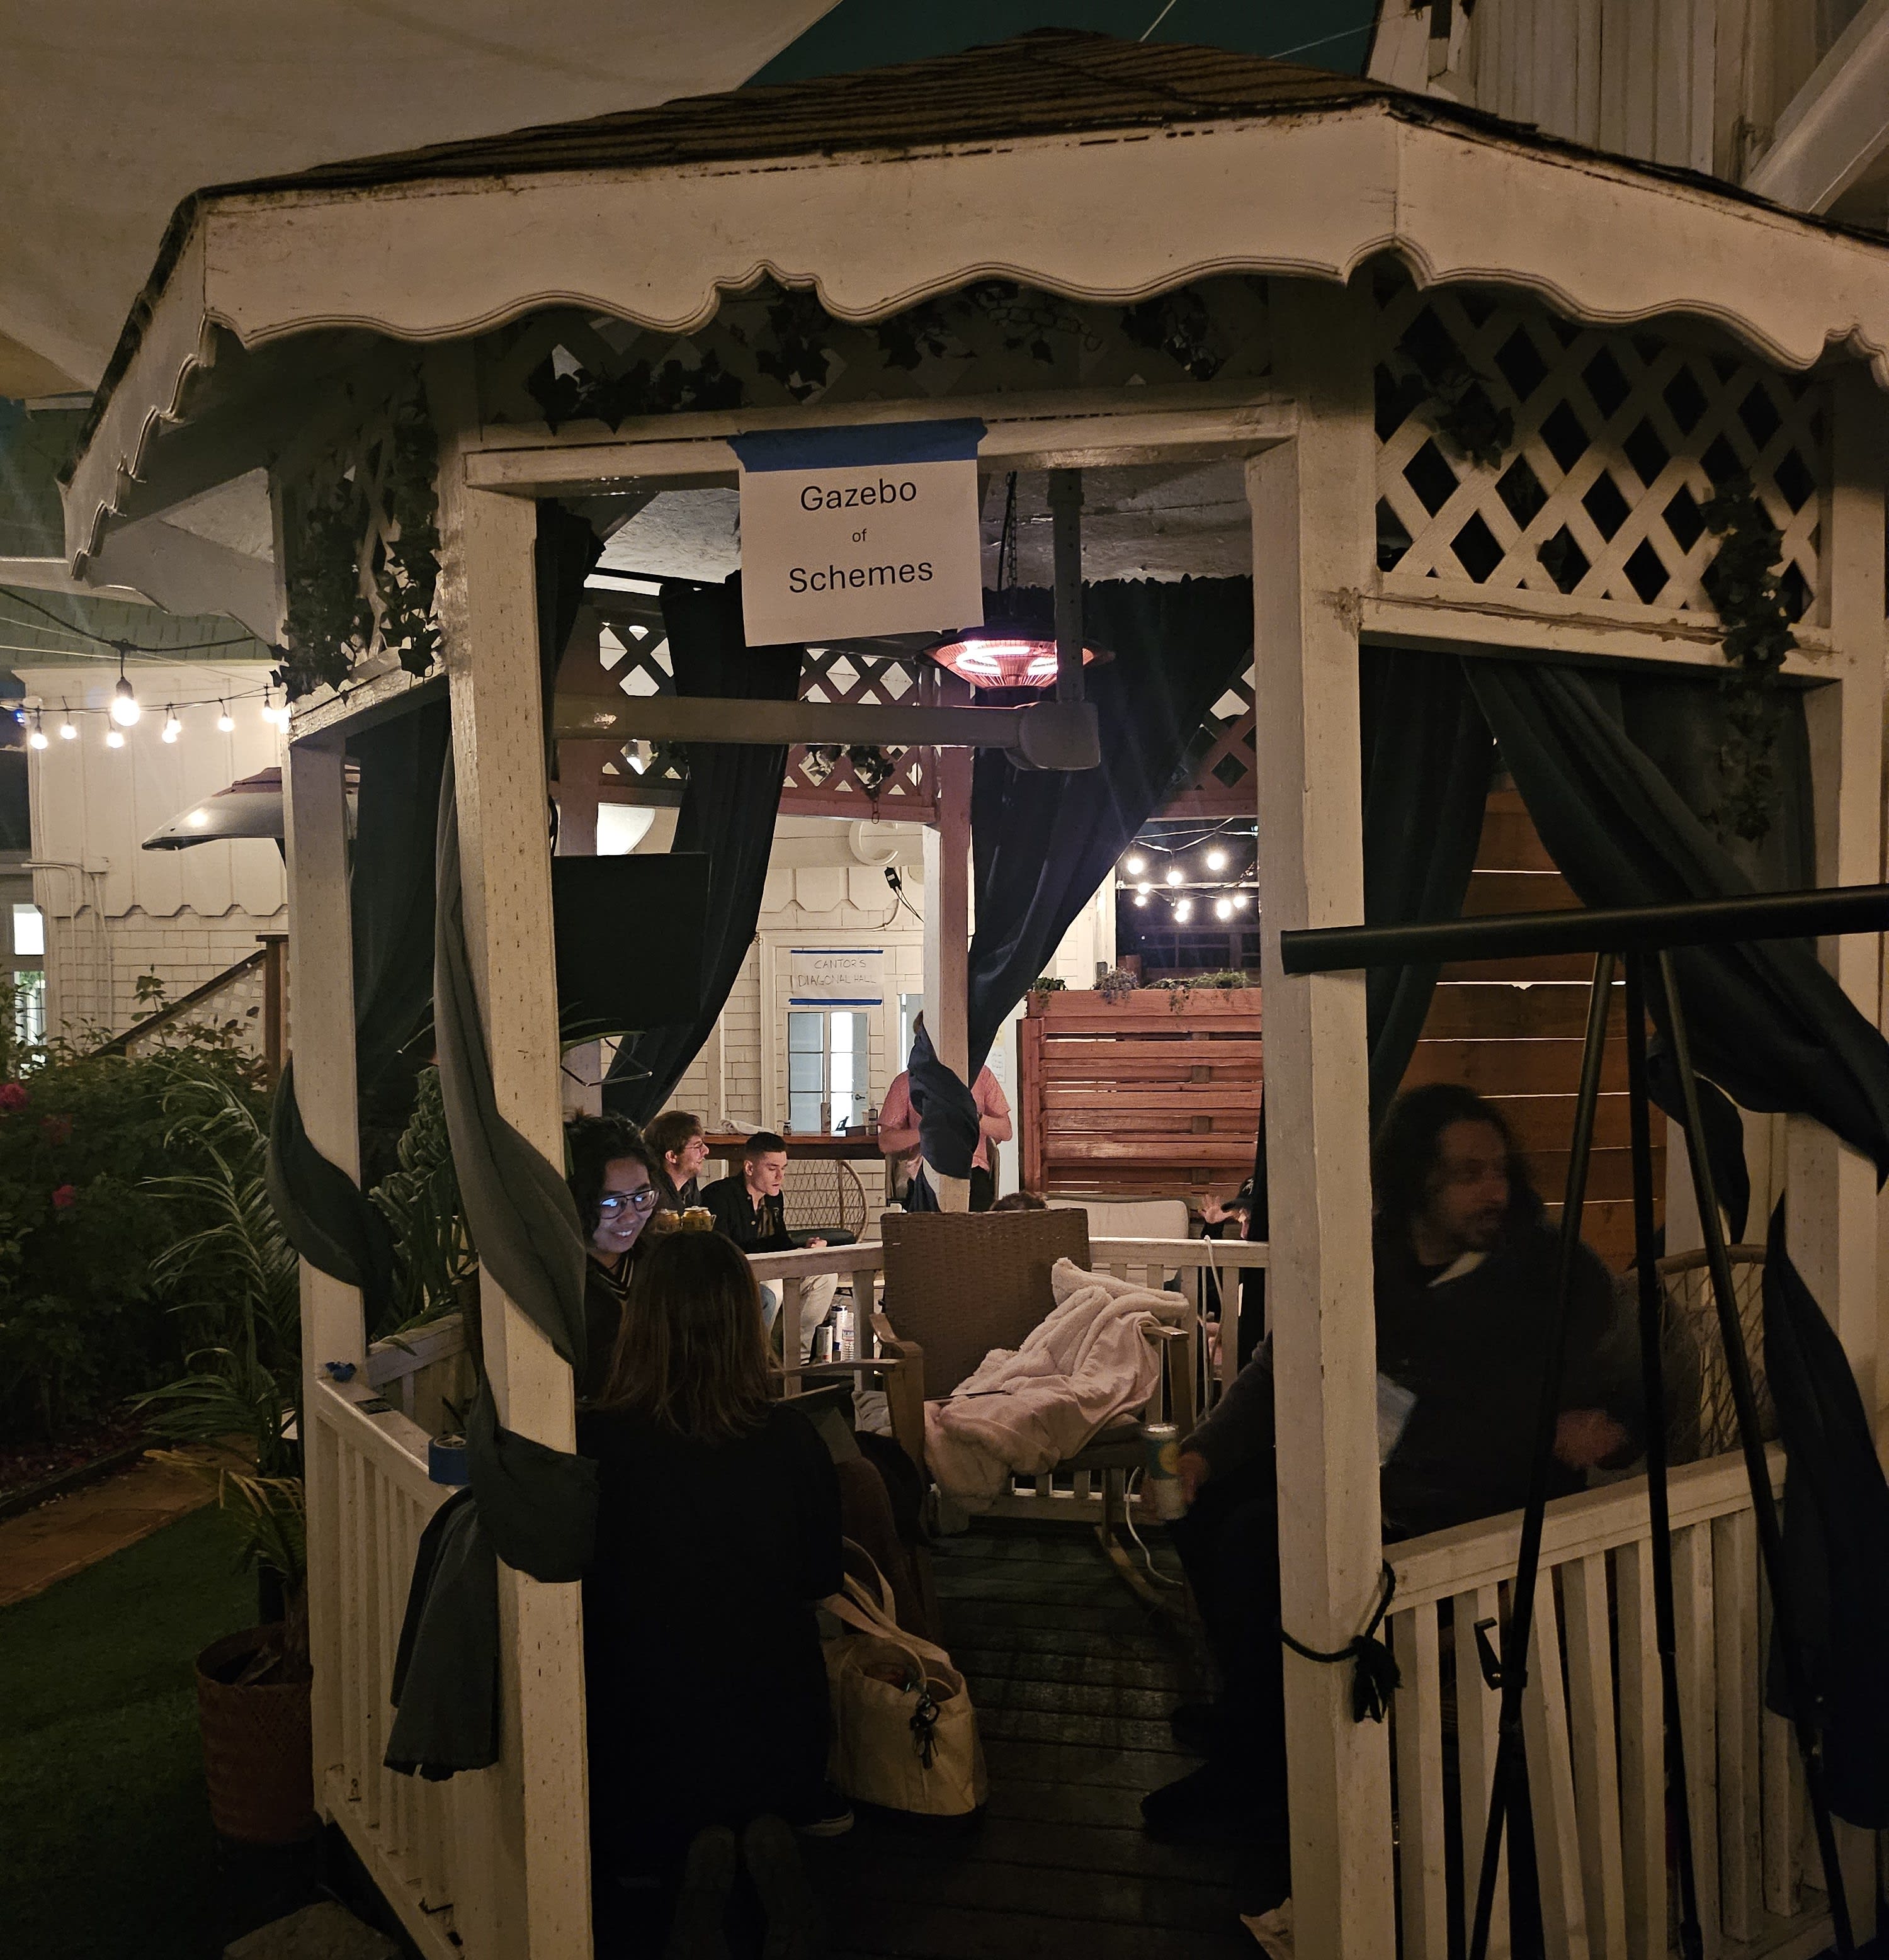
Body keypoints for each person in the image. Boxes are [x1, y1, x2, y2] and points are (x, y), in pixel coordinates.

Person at [1142, 1083, 1641, 1929]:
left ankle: (1263, 1779)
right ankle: (1257, 1715)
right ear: (1416, 1184)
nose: (1495, 1191)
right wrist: (1199, 1451)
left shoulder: (1552, 1273)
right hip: (1373, 1488)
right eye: (1466, 1174)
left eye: (1499, 1170)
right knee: (1211, 1499)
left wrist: (1612, 1424)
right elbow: (1282, 1362)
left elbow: (1635, 1378)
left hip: (1473, 1515)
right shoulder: (1372, 1259)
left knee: (1260, 1542)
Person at [579, 1230, 846, 1956]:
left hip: (644, 1737)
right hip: (780, 1733)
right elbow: (821, 1579)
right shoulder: (791, 1438)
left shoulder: (594, 1444)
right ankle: (761, 1834)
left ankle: (701, 1864)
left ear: (643, 1321)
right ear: (742, 1321)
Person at [566, 1115, 666, 1403]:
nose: (631, 1216)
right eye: (611, 1202)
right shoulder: (562, 1277)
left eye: (641, 1197)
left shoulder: (659, 1261)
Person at [876, 1060, 1013, 1211]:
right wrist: (928, 1132)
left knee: (978, 1217)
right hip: (926, 1168)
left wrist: (974, 1117)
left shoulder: (982, 1075)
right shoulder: (907, 1081)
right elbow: (886, 1142)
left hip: (972, 1168)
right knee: (925, 1214)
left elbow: (1005, 1132)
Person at [644, 1108, 710, 1210]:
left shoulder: (688, 1180)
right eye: (698, 1146)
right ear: (672, 1156)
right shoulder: (654, 1198)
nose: (706, 1151)